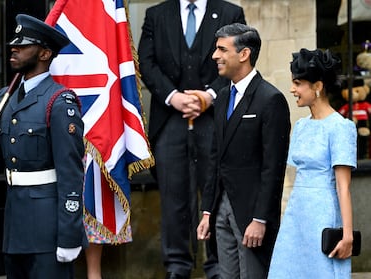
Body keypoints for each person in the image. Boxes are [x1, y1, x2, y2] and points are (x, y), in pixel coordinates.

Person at [0, 14, 87, 278]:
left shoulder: (59, 103)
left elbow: (71, 175)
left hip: (48, 228)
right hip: (14, 226)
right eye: (13, 44)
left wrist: (69, 235)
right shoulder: (5, 98)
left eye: (23, 45)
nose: (13, 48)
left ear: (45, 53)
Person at [138, 0, 246, 278]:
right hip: (169, 119)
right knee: (173, 197)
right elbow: (146, 63)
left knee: (216, 195)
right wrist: (174, 97)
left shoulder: (230, 13)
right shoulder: (156, 15)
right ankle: (177, 266)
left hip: (213, 120)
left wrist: (208, 96)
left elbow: (239, 62)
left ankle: (218, 266)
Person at [196, 23, 291, 279]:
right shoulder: (222, 98)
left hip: (252, 217)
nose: (215, 55)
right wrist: (207, 211)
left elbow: (274, 167)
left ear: (244, 54)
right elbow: (215, 158)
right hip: (221, 212)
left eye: (222, 49)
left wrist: (260, 219)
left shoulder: (271, 99)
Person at [268, 48, 357, 278]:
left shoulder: (341, 127)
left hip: (323, 215)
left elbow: (343, 186)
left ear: (317, 86)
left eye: (298, 83)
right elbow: (295, 176)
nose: (292, 89)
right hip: (297, 216)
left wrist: (347, 234)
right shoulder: (301, 126)